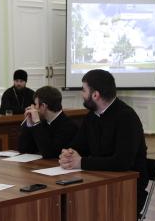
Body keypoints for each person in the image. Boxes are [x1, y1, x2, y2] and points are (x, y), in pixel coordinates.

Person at [58, 69, 149, 213]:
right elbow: (78, 145)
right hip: (97, 179)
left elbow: (122, 162)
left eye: (83, 90)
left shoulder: (126, 117)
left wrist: (81, 162)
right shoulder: (92, 116)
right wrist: (68, 154)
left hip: (126, 187)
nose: (82, 94)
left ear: (95, 95)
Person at [18, 86, 78, 158]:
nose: (34, 108)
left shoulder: (69, 126)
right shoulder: (43, 123)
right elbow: (23, 149)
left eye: (35, 104)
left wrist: (37, 123)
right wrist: (29, 123)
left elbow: (50, 154)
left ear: (43, 106)